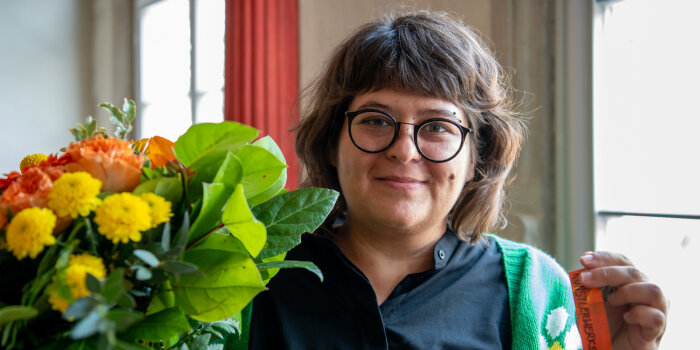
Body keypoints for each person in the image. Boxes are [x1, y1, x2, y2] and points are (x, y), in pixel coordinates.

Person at [249, 10, 668, 349]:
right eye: (376, 120)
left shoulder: (534, 292)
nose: (405, 150)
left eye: (437, 127)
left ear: (477, 158)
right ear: (330, 143)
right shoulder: (249, 275)